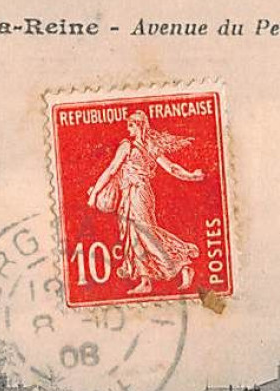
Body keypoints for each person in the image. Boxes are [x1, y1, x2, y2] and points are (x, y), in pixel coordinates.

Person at [85, 110, 204, 295]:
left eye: (131, 125)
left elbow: (170, 167)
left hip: (139, 194)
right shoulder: (137, 146)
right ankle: (145, 280)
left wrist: (191, 175)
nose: (128, 129)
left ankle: (180, 265)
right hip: (128, 195)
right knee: (134, 235)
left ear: (139, 125)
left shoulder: (137, 146)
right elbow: (112, 170)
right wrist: (96, 193)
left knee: (145, 233)